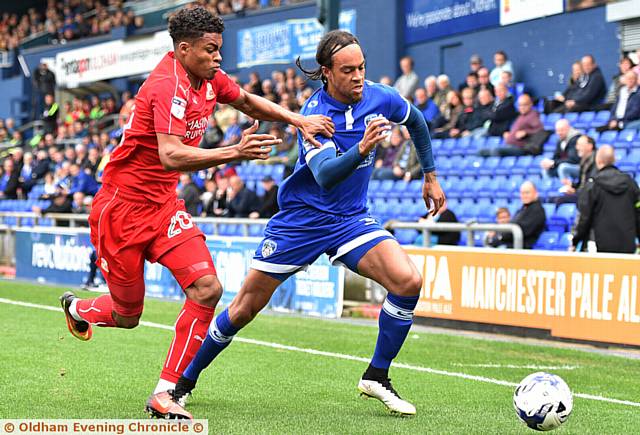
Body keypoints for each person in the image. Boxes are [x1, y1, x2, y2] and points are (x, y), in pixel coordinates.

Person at [57, 6, 333, 420]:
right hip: (122, 210)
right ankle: (78, 308)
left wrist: (298, 119)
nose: (218, 57)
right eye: (210, 49)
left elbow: (247, 101)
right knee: (126, 314)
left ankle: (167, 392)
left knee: (207, 289)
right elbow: (169, 155)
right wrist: (234, 152)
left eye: (219, 48)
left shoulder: (207, 78)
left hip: (164, 206)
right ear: (183, 49)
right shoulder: (166, 86)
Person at [170, 30, 445, 417]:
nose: (358, 76)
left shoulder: (380, 96)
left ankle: (377, 376)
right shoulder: (314, 116)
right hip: (302, 222)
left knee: (408, 281)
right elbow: (327, 176)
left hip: (350, 220)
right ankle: (184, 383)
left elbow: (416, 120)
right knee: (245, 308)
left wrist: (429, 175)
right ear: (327, 73)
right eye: (348, 70)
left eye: (362, 67)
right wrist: (363, 148)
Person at [572, 145, 640, 253]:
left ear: (597, 160)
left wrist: (575, 241)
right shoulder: (630, 183)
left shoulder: (592, 185)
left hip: (599, 244)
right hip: (627, 244)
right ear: (614, 160)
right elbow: (638, 211)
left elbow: (584, 217)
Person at [493, 182, 546, 249]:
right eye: (522, 193)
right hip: (511, 245)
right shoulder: (523, 208)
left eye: (527, 193)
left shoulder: (537, 210)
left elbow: (522, 230)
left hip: (523, 249)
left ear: (536, 194)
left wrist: (500, 237)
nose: (524, 196)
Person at [556, 135, 597, 204]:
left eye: (580, 145)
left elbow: (591, 185)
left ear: (590, 146)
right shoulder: (583, 161)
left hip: (589, 197)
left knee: (559, 200)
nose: (577, 148)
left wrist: (575, 191)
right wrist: (572, 184)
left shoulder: (596, 162)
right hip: (582, 193)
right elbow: (582, 183)